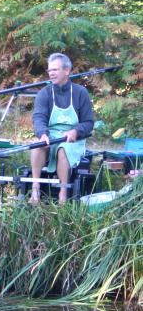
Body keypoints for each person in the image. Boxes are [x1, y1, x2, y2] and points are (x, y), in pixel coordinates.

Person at [30, 53, 94, 204]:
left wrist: (76, 131)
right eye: (49, 70)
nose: (51, 73)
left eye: (55, 70)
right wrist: (42, 134)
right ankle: (35, 187)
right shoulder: (44, 93)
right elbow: (39, 118)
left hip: (72, 139)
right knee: (37, 146)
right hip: (51, 136)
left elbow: (88, 122)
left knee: (62, 149)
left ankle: (63, 193)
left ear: (67, 71)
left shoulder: (80, 93)